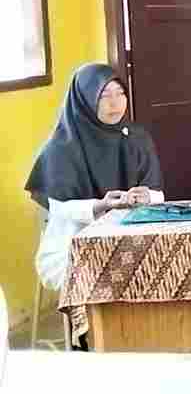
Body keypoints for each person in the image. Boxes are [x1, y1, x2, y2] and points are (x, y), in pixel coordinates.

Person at [26, 64, 164, 294]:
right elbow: (58, 208)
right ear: (85, 100)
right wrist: (101, 205)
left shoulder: (137, 138)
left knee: (165, 266)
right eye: (104, 95)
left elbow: (158, 194)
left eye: (120, 93)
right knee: (104, 276)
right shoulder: (61, 148)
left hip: (134, 238)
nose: (115, 103)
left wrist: (147, 196)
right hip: (72, 243)